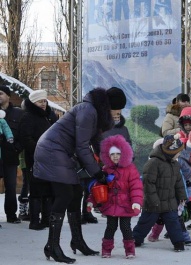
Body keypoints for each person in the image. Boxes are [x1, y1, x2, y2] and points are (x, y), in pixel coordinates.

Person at [33, 87, 126, 263]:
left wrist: (109, 164)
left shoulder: (94, 111)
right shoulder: (87, 110)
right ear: (109, 106)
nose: (117, 114)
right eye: (117, 110)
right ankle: (52, 245)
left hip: (60, 151)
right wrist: (97, 173)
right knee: (65, 194)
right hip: (52, 149)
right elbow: (82, 146)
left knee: (76, 193)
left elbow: (96, 141)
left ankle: (77, 240)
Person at [87, 135, 143, 258]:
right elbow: (98, 187)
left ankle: (130, 250)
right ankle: (106, 249)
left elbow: (136, 187)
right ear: (108, 156)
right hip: (111, 204)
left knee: (125, 227)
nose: (116, 156)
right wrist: (91, 201)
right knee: (110, 227)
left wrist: (136, 202)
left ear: (124, 153)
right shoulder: (106, 169)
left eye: (118, 153)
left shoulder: (130, 169)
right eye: (112, 154)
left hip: (126, 204)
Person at [132, 134, 187, 252]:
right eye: (178, 152)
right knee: (146, 222)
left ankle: (179, 242)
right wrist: (154, 200)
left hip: (169, 201)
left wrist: (182, 196)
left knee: (173, 222)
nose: (179, 155)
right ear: (170, 152)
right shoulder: (153, 163)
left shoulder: (175, 164)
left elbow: (178, 182)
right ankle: (135, 239)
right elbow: (148, 183)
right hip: (154, 202)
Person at [19, 90, 58, 230]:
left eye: (45, 101)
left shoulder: (49, 116)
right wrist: (40, 149)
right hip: (35, 159)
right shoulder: (28, 117)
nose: (43, 104)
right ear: (33, 103)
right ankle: (34, 221)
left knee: (48, 189)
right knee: (36, 189)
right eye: (40, 101)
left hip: (50, 158)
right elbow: (25, 138)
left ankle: (46, 219)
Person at [0, 85, 24, 224]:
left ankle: (11, 214)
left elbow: (23, 134)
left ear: (8, 96)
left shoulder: (18, 113)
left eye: (1, 93)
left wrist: (16, 148)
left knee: (10, 186)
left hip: (10, 155)